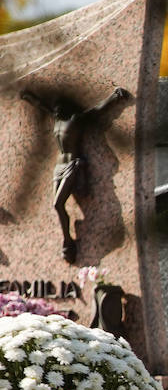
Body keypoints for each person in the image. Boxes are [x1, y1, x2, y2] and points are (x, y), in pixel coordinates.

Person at [19, 86, 130, 264]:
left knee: (57, 204)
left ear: (66, 107)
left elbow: (96, 111)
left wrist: (114, 98)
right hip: (58, 168)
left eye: (59, 106)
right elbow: (42, 106)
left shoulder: (76, 120)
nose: (55, 108)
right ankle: (68, 240)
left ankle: (67, 241)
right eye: (55, 107)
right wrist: (29, 97)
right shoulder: (57, 119)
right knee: (58, 205)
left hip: (72, 165)